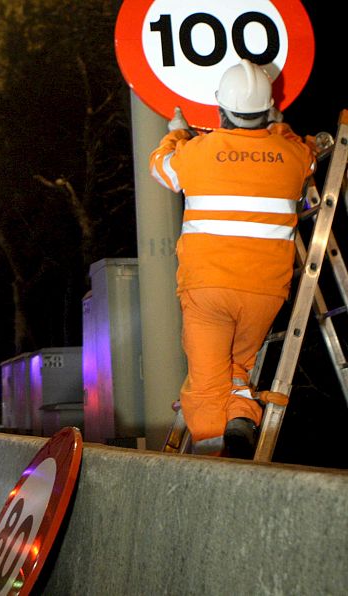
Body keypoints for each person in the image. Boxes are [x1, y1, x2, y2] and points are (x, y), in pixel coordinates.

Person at [149, 59, 316, 458]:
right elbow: (308, 157)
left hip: (208, 290)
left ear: (222, 109)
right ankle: (241, 417)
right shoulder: (292, 155)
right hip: (265, 292)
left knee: (206, 384)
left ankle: (214, 462)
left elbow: (162, 170)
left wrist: (175, 136)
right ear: (269, 109)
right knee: (235, 368)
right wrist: (280, 128)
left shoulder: (198, 152)